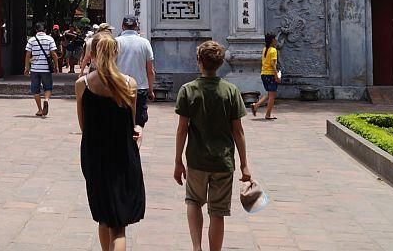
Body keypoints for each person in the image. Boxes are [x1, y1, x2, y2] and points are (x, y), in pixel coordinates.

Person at [174, 41, 251, 251]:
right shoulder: (231, 91)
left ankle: (196, 247)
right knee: (217, 212)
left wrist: (178, 161)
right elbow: (238, 130)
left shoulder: (188, 90)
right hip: (223, 161)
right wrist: (244, 164)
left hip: (196, 159)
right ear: (221, 63)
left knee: (193, 202)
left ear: (198, 61)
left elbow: (182, 129)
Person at [75, 34, 145, 251]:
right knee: (119, 229)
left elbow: (84, 126)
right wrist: (139, 134)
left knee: (103, 219)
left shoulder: (83, 85)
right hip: (123, 156)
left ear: (92, 54)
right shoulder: (129, 84)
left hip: (95, 157)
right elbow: (131, 124)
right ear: (117, 53)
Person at [115, 15, 155, 128]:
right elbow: (150, 70)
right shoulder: (144, 43)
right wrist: (151, 90)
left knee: (120, 121)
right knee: (138, 123)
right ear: (136, 26)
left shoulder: (115, 42)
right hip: (140, 88)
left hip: (119, 87)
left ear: (122, 26)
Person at [25, 22, 59, 117]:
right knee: (48, 87)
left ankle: (40, 110)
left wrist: (27, 67)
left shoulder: (31, 40)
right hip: (46, 69)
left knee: (35, 90)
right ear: (45, 30)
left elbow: (28, 55)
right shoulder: (50, 39)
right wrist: (56, 66)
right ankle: (46, 100)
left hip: (35, 69)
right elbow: (54, 54)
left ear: (36, 30)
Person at [250, 32, 279, 120]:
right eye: (275, 39)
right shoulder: (273, 50)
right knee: (272, 96)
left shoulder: (264, 49)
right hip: (270, 75)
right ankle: (268, 115)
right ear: (273, 40)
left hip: (264, 74)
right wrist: (276, 76)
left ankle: (256, 105)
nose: (276, 40)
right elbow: (273, 65)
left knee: (270, 94)